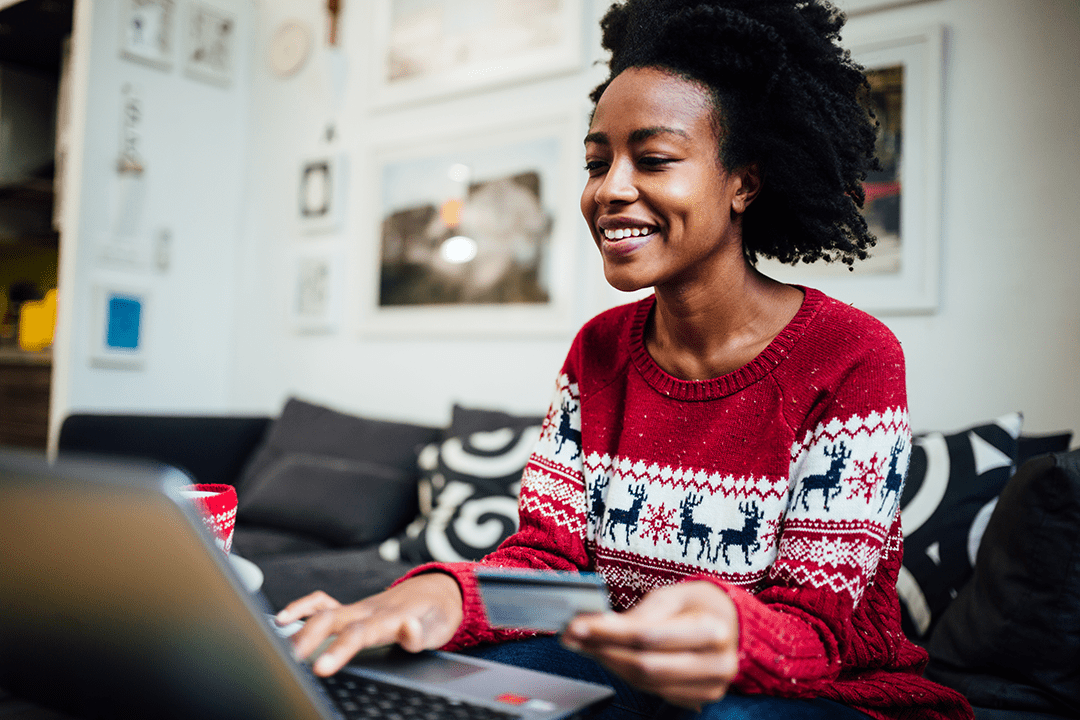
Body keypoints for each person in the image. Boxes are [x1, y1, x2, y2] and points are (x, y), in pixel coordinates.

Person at [277, 1, 974, 718]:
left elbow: (818, 628)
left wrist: (725, 630)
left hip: (819, 692)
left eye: (655, 158)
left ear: (744, 182)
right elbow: (547, 562)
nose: (610, 188)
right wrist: (435, 596)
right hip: (627, 667)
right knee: (432, 674)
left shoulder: (852, 356)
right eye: (597, 161)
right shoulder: (599, 349)